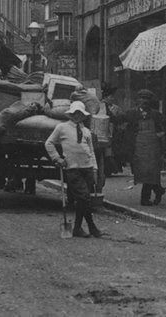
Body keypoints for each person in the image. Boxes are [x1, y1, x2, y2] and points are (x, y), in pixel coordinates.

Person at [45, 101, 102, 238]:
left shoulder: (86, 131)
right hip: (73, 169)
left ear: (83, 116)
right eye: (75, 113)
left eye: (80, 114)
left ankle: (78, 228)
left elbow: (91, 151)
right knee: (84, 197)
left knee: (84, 200)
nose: (77, 116)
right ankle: (91, 226)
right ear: (70, 114)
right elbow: (49, 143)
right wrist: (57, 159)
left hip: (87, 168)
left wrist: (94, 169)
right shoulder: (62, 127)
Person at [122, 90, 166, 206]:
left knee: (151, 171)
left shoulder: (156, 115)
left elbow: (164, 129)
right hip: (138, 148)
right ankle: (159, 190)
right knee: (142, 172)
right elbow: (122, 126)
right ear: (138, 101)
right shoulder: (131, 114)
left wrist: (160, 139)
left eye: (147, 100)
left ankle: (144, 199)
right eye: (142, 99)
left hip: (153, 148)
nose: (144, 102)